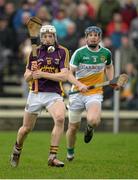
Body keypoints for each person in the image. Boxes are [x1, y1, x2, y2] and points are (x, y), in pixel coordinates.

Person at [10, 24, 69, 167]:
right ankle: (17, 149)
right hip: (36, 94)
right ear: (41, 38)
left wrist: (43, 73)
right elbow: (26, 77)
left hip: (53, 94)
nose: (48, 39)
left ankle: (52, 157)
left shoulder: (62, 51)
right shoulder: (34, 53)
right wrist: (31, 73)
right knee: (26, 129)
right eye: (45, 36)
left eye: (50, 36)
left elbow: (64, 76)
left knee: (60, 118)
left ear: (55, 37)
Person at [66, 26, 118, 161]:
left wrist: (112, 80)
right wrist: (79, 84)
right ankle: (70, 151)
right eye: (91, 35)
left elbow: (109, 66)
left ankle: (90, 128)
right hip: (77, 93)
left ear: (100, 38)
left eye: (96, 35)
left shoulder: (106, 53)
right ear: (86, 38)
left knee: (94, 120)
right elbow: (68, 74)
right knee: (73, 128)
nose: (93, 37)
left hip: (94, 92)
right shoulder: (79, 53)